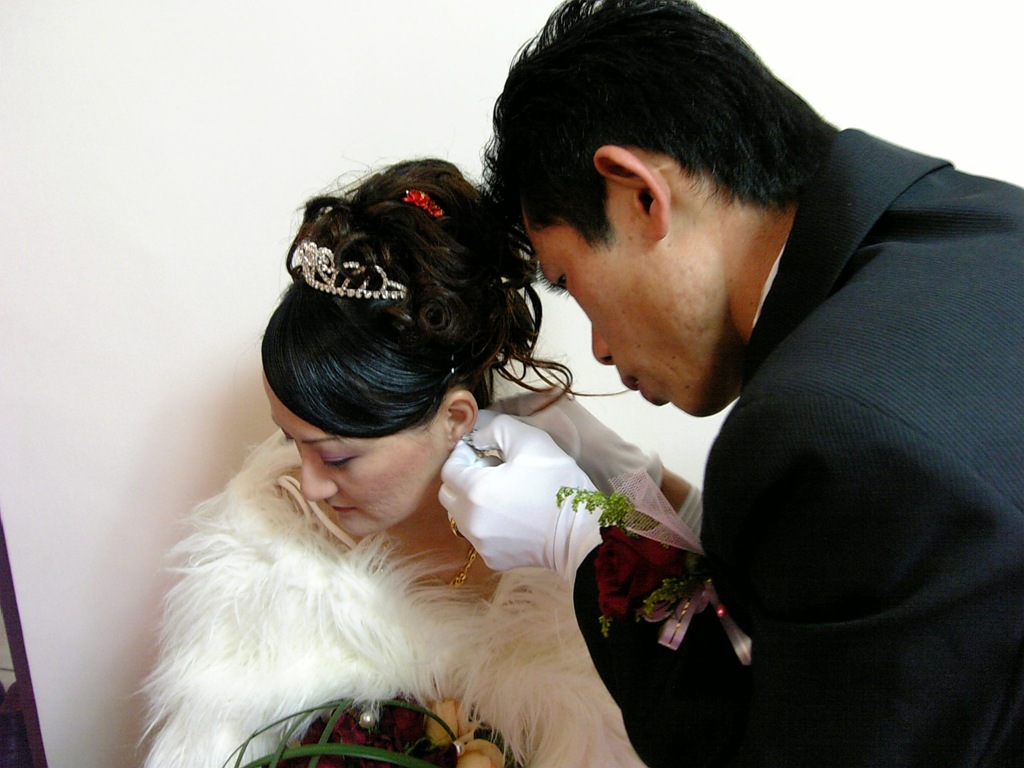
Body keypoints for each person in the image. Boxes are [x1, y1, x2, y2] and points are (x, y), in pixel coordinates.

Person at [438, 1, 1024, 765]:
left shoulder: (825, 427)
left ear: (640, 195)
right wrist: (662, 504)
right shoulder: (987, 219)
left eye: (571, 282)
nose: (600, 348)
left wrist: (585, 544)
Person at [141, 158, 680, 768]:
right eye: (291, 440)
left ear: (455, 418)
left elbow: (689, 548)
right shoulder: (260, 558)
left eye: (338, 457)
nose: (309, 486)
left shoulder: (560, 451)